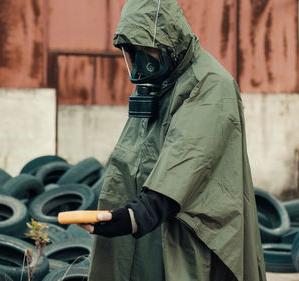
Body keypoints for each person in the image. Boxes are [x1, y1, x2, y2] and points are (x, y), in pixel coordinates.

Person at [78, 0, 266, 280]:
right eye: (134, 51)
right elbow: (133, 160)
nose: (142, 61)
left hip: (197, 236)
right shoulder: (163, 85)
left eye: (147, 49)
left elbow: (186, 160)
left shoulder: (210, 84)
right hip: (155, 231)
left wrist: (130, 217)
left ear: (169, 40)